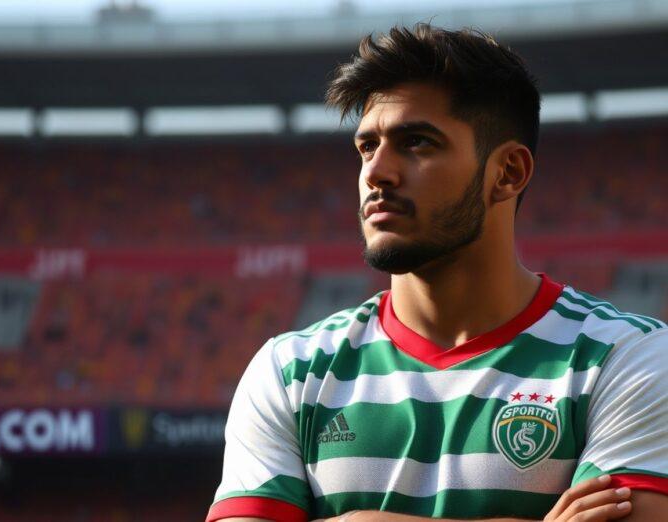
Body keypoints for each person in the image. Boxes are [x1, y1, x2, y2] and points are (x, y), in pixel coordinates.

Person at [206, 24, 668, 521]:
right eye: (366, 147)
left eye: (417, 143)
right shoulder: (290, 371)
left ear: (508, 172)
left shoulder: (626, 358)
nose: (376, 173)